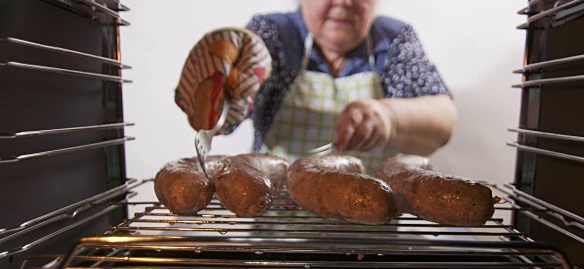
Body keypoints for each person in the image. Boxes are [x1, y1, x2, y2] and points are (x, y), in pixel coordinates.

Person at [176, 0, 457, 171]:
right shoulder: (276, 35)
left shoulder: (392, 39)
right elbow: (231, 103)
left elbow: (443, 120)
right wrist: (220, 86)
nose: (344, 1)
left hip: (370, 227)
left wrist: (388, 120)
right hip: (279, 230)